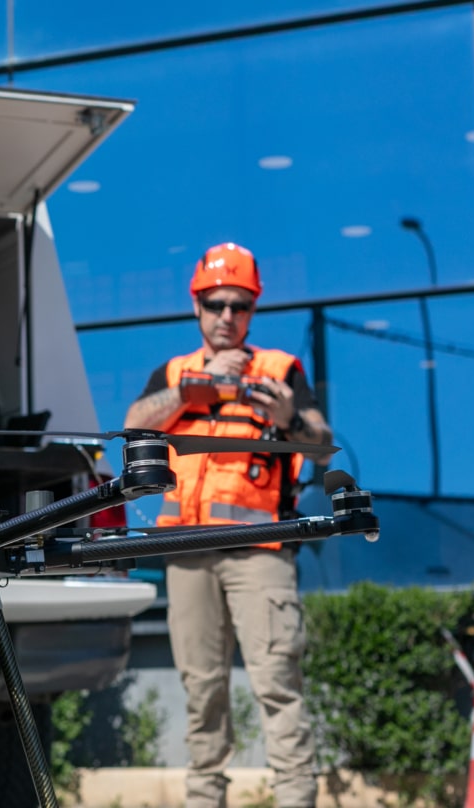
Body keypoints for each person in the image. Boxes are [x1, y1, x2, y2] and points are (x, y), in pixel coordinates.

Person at [124, 242, 333, 808]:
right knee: (202, 690)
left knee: (276, 684)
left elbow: (320, 445)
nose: (226, 317)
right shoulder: (174, 373)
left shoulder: (280, 370)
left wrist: (289, 417)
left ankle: (296, 799)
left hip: (259, 551)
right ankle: (204, 799)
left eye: (239, 306)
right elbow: (135, 425)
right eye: (216, 304)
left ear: (252, 311)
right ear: (197, 306)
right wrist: (200, 385)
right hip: (188, 551)